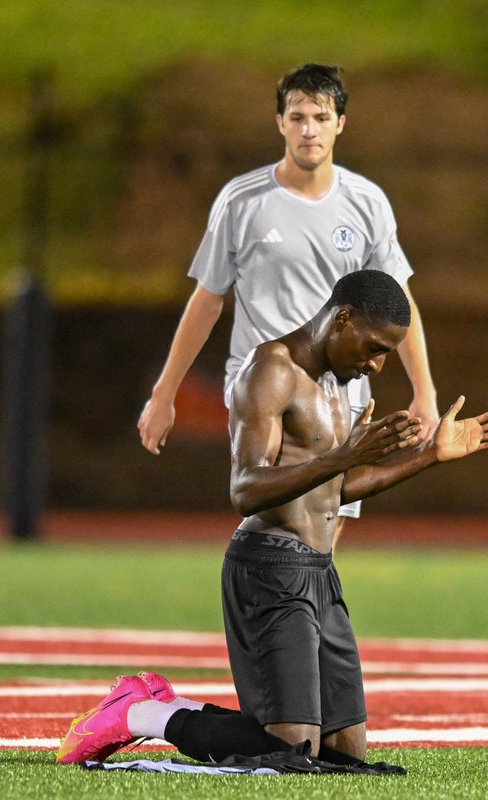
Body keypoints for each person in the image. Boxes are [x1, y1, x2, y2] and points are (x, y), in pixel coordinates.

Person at [59, 270, 488, 766]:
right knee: (289, 749)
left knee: (345, 756)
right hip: (269, 566)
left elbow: (335, 490)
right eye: (375, 346)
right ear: (342, 319)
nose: (380, 364)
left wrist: (429, 456)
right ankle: (140, 715)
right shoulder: (272, 368)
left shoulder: (338, 383)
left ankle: (161, 710)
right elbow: (245, 488)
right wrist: (339, 458)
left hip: (320, 570)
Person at [137, 63, 440, 544]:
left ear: (340, 123)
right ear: (280, 122)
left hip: (341, 391)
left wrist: (425, 391)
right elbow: (208, 300)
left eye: (320, 117)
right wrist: (164, 392)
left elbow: (397, 299)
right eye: (297, 116)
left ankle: (299, 616)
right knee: (272, 518)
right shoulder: (242, 201)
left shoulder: (367, 203)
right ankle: (276, 614)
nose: (308, 129)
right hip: (267, 387)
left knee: (320, 538)